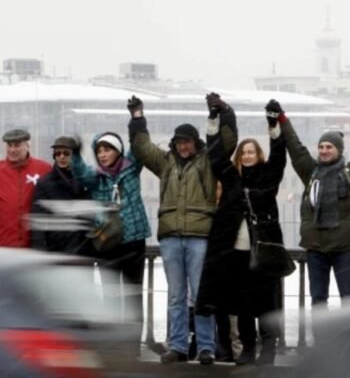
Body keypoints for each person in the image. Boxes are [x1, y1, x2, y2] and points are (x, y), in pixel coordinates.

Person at [127, 93, 237, 365]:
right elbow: (142, 147)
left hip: (200, 236)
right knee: (176, 296)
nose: (183, 146)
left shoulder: (208, 161)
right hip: (171, 237)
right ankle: (177, 345)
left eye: (187, 141)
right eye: (179, 142)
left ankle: (205, 348)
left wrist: (224, 111)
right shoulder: (165, 163)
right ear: (175, 144)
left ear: (195, 142)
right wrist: (137, 118)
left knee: (201, 295)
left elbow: (228, 142)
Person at [196, 102, 287, 366]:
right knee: (243, 304)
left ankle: (268, 348)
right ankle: (248, 348)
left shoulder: (268, 177)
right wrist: (213, 122)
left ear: (258, 154)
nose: (247, 156)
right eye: (243, 153)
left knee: (268, 305)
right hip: (237, 253)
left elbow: (280, 156)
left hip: (264, 251)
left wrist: (274, 126)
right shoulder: (232, 179)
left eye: (251, 152)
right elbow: (214, 155)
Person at [265, 99, 350, 307]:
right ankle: (323, 339)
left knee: (348, 298)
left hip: (343, 248)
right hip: (315, 248)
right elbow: (295, 148)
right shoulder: (311, 173)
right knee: (318, 299)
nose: (324, 150)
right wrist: (283, 119)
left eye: (329, 147)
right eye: (321, 147)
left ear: (339, 150)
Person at [70, 131, 152, 356]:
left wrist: (137, 118)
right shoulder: (96, 176)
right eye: (99, 151)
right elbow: (80, 173)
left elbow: (139, 145)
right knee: (111, 297)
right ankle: (115, 346)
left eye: (107, 149)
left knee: (134, 295)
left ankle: (133, 345)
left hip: (133, 241)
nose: (102, 155)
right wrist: (76, 154)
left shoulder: (131, 169)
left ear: (118, 151)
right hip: (107, 243)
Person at [30, 136, 93, 255]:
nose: (62, 157)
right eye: (58, 153)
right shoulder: (45, 183)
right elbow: (38, 219)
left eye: (66, 153)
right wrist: (39, 251)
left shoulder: (85, 180)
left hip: (83, 247)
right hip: (56, 248)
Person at [0, 128, 51, 247]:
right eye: (9, 145)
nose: (12, 150)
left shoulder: (44, 169)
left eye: (17, 145)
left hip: (35, 245)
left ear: (27, 146)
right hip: (4, 246)